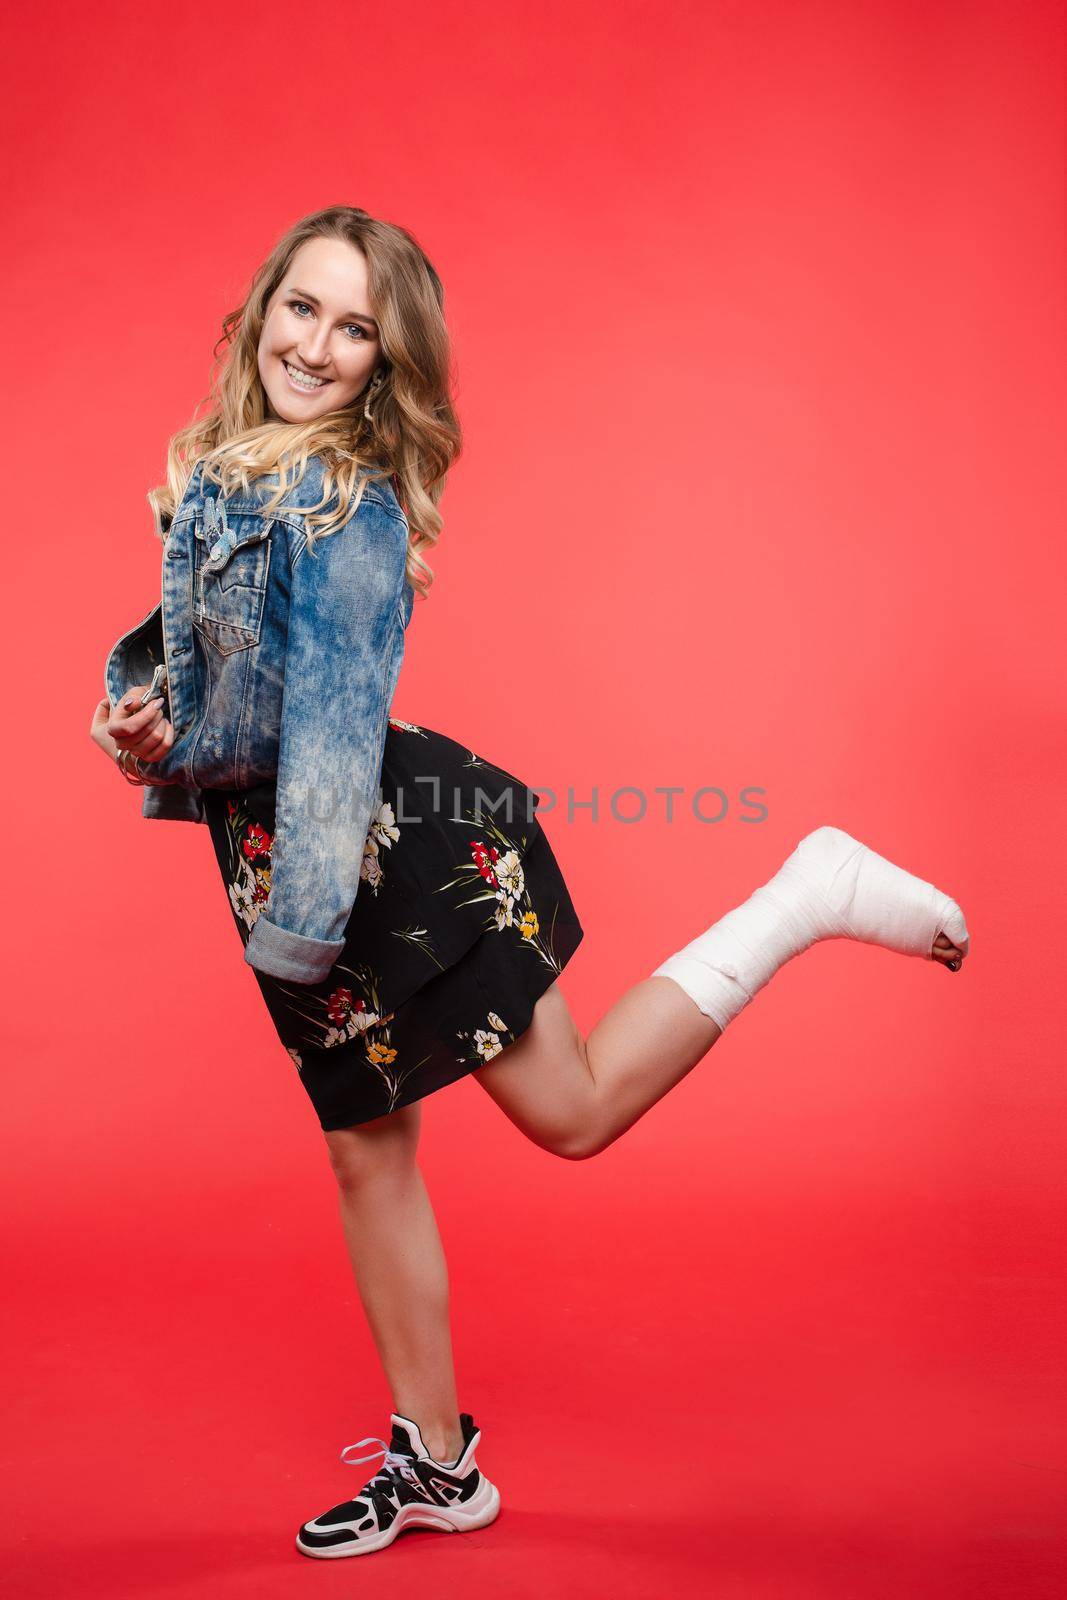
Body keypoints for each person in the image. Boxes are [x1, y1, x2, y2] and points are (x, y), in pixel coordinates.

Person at [89, 205, 971, 1561]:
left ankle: (810, 889)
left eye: (355, 328)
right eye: (302, 309)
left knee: (572, 1114)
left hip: (383, 856)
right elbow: (220, 683)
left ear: (389, 363)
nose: (316, 346)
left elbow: (328, 739)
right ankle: (438, 1467)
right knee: (364, 1152)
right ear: (260, 307)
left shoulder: (351, 509)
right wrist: (143, 716)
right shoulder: (233, 470)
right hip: (303, 864)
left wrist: (299, 932)